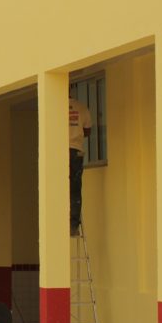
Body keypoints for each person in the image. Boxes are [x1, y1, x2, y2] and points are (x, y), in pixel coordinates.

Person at [69, 94, 93, 235]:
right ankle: (73, 226)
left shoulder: (55, 105)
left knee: (60, 187)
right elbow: (88, 131)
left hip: (59, 152)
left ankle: (58, 219)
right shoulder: (82, 107)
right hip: (76, 151)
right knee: (75, 188)